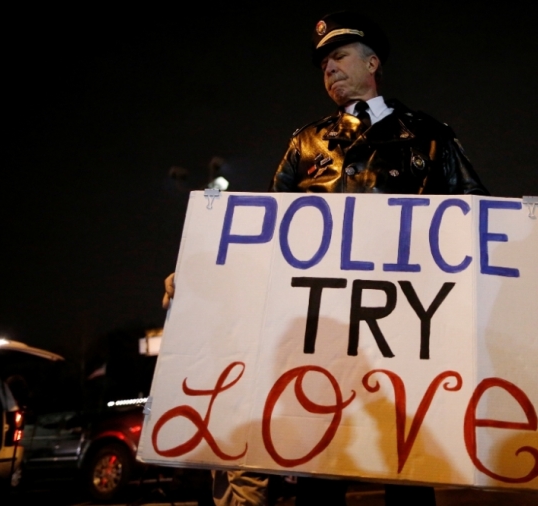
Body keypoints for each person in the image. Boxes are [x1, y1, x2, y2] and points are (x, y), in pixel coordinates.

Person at [163, 11, 489, 506]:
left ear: (372, 61)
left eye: (338, 57)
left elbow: (481, 218)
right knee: (319, 465)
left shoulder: (430, 135)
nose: (329, 70)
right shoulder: (305, 143)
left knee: (408, 466)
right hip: (323, 332)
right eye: (323, 65)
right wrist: (201, 272)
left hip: (402, 328)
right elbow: (264, 231)